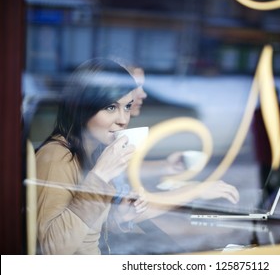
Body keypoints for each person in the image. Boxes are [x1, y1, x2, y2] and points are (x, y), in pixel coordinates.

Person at [35, 58, 239, 255]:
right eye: (111, 107)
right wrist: (99, 177)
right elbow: (53, 250)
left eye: (126, 107)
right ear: (81, 107)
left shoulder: (92, 152)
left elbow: (89, 228)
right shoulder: (57, 156)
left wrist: (121, 216)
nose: (123, 120)